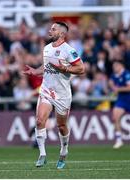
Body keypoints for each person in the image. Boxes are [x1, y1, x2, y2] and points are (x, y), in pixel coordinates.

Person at [23, 22, 85, 169]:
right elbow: (45, 68)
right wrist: (35, 71)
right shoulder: (46, 48)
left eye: (53, 29)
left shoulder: (68, 50)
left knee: (61, 126)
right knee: (39, 121)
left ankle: (64, 150)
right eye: (50, 28)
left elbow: (81, 68)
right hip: (46, 90)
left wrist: (65, 68)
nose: (50, 30)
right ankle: (42, 154)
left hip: (62, 94)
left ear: (62, 33)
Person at [109, 60, 130, 149]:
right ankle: (119, 140)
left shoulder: (127, 74)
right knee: (115, 117)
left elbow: (129, 88)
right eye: (114, 66)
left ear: (121, 66)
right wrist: (112, 86)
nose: (114, 68)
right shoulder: (114, 75)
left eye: (116, 65)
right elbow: (110, 82)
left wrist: (118, 89)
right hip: (121, 99)